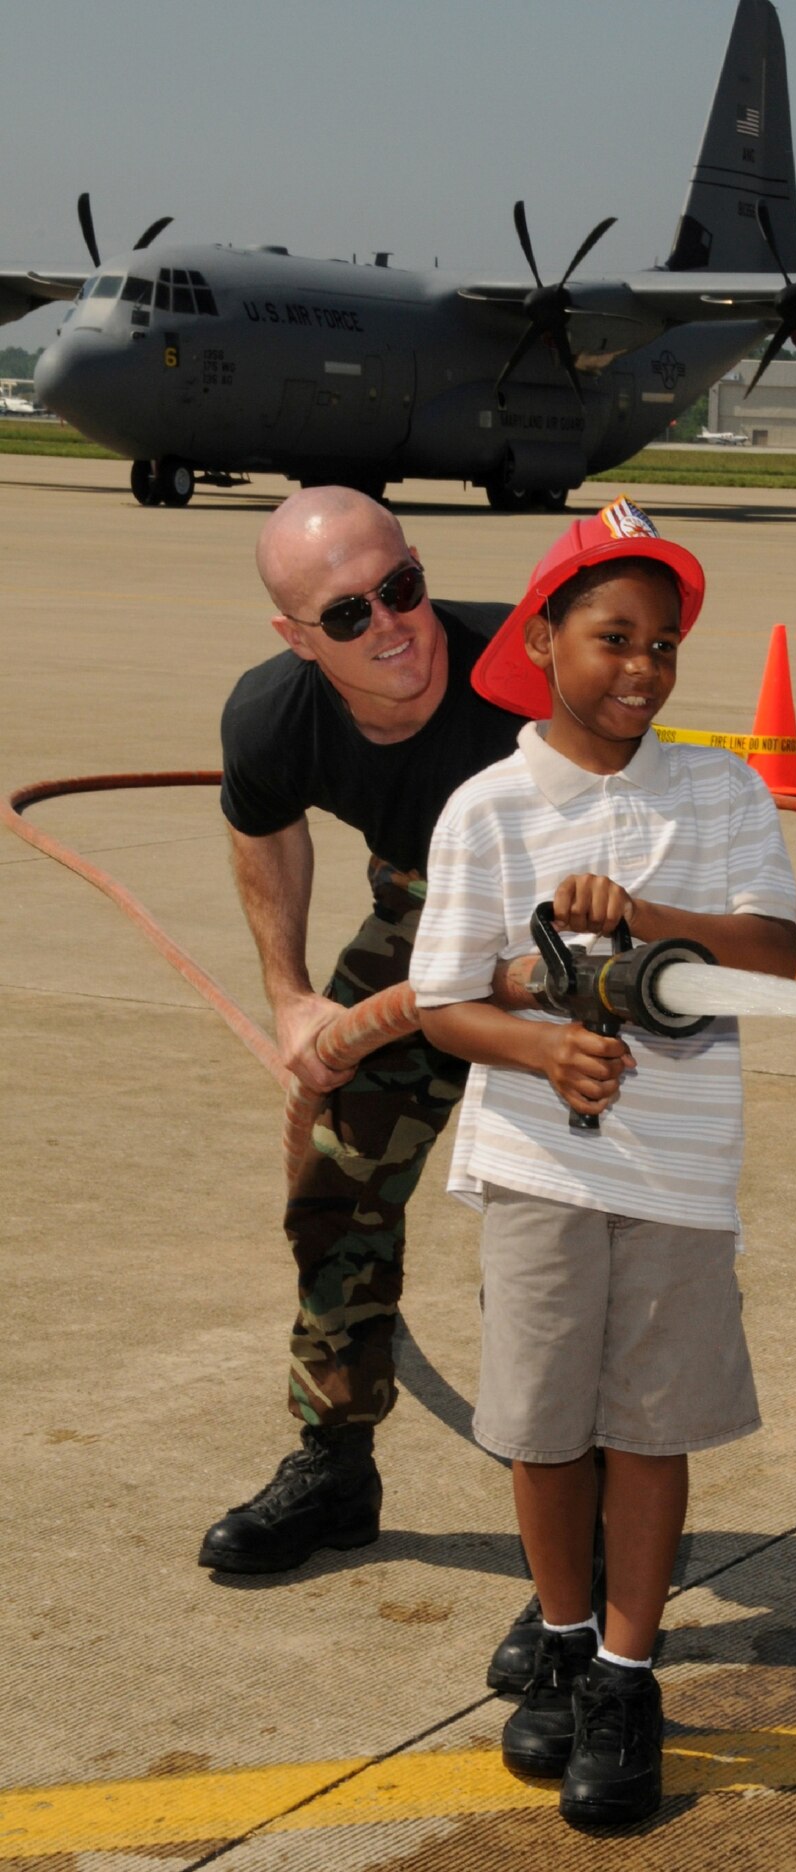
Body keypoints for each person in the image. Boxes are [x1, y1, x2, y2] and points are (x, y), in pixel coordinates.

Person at [410, 496, 796, 1828]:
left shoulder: (723, 790)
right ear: (545, 640)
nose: (642, 670)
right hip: (539, 1171)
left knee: (649, 1429)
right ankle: (568, 1640)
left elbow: (772, 956)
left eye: (666, 643)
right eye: (613, 638)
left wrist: (644, 915)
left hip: (679, 1175)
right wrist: (544, 1053)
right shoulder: (490, 808)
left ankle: (630, 1678)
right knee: (539, 1425)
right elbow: (444, 999)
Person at [199, 492, 542, 1675]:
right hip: (423, 911)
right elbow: (263, 822)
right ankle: (333, 1466)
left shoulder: (525, 671)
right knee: (334, 1187)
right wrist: (293, 994)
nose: (395, 625)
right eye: (349, 612)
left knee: (551, 1234)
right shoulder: (273, 712)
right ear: (299, 637)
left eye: (403, 587)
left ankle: (576, 1556)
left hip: (564, 945)